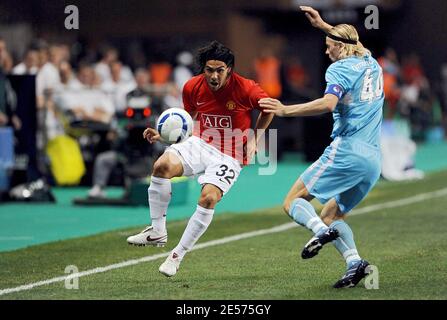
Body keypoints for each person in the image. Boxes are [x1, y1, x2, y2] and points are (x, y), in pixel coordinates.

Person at [259, 6, 384, 288]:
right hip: (374, 160)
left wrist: (284, 110)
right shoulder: (371, 63)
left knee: (293, 201)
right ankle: (355, 263)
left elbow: (328, 104)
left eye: (330, 47)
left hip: (347, 151)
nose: (327, 52)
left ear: (340, 47)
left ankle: (318, 232)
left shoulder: (338, 68)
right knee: (331, 215)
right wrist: (324, 26)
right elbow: (356, 43)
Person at [127, 40, 274, 277]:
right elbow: (188, 119)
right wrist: (164, 135)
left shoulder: (246, 88)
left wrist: (256, 139)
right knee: (161, 166)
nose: (214, 76)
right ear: (203, 69)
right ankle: (157, 230)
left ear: (229, 69)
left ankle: (176, 256)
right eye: (209, 70)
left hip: (231, 153)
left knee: (208, 198)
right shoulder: (192, 87)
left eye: (219, 70)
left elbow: (270, 109)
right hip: (200, 141)